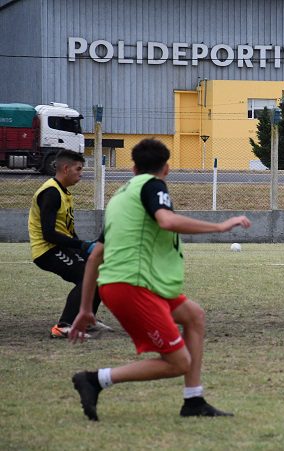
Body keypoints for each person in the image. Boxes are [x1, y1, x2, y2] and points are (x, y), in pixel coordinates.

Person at [68, 138, 252, 421]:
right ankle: (96, 380)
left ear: (132, 168)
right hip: (133, 285)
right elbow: (166, 220)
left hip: (133, 284)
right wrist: (220, 225)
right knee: (178, 362)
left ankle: (194, 400)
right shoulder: (152, 186)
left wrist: (84, 309)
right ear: (166, 169)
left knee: (194, 316)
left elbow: (95, 257)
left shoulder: (120, 197)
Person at [28, 149, 111, 338]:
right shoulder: (51, 193)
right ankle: (64, 326)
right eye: (78, 169)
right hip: (47, 250)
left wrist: (86, 248)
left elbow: (65, 230)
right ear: (66, 168)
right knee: (87, 276)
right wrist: (82, 245)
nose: (81, 173)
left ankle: (86, 320)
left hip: (61, 247)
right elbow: (48, 234)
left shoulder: (62, 192)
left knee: (100, 271)